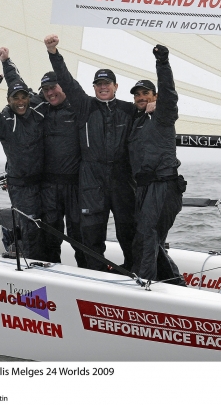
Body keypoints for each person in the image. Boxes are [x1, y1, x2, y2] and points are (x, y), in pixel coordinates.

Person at [44, 34, 137, 272]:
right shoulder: (84, 105)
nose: (103, 87)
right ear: (93, 87)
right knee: (92, 231)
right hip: (91, 178)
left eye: (108, 84)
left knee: (127, 229)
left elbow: (159, 117)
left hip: (122, 179)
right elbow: (66, 79)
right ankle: (95, 274)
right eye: (99, 84)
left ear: (116, 87)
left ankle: (135, 271)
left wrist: (153, 105)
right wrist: (53, 52)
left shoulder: (130, 110)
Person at [0, 47, 86, 267]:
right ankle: (49, 272)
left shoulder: (78, 106)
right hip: (48, 187)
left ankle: (90, 274)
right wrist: (6, 61)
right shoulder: (39, 106)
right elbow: (17, 87)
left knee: (79, 235)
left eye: (53, 87)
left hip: (75, 186)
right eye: (45, 89)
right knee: (49, 236)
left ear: (62, 86)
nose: (49, 93)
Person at [127, 44, 187, 285]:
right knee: (145, 237)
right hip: (143, 188)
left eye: (146, 93)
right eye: (137, 94)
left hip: (164, 185)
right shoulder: (136, 121)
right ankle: (175, 284)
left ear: (155, 96)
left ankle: (145, 284)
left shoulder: (163, 114)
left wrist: (162, 62)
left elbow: (170, 94)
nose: (141, 97)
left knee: (148, 235)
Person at [0, 72, 45, 259]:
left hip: (42, 183)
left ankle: (13, 237)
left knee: (44, 225)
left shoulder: (37, 113)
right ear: (8, 100)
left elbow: (22, 82)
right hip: (20, 185)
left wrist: (7, 62)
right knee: (31, 227)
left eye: (24, 97)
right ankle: (28, 259)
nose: (21, 101)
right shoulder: (4, 122)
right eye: (16, 98)